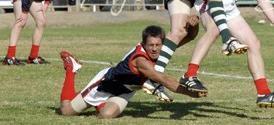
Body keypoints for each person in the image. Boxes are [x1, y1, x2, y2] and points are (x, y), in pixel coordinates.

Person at [59, 25, 207, 119]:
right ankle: (72, 69)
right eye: (150, 45)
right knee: (67, 111)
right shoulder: (140, 60)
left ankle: (96, 103)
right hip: (107, 84)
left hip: (126, 90)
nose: (155, 49)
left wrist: (194, 23)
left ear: (162, 43)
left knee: (106, 116)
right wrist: (190, 93)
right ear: (143, 44)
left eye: (158, 45)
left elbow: (189, 36)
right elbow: (163, 80)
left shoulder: (160, 49)